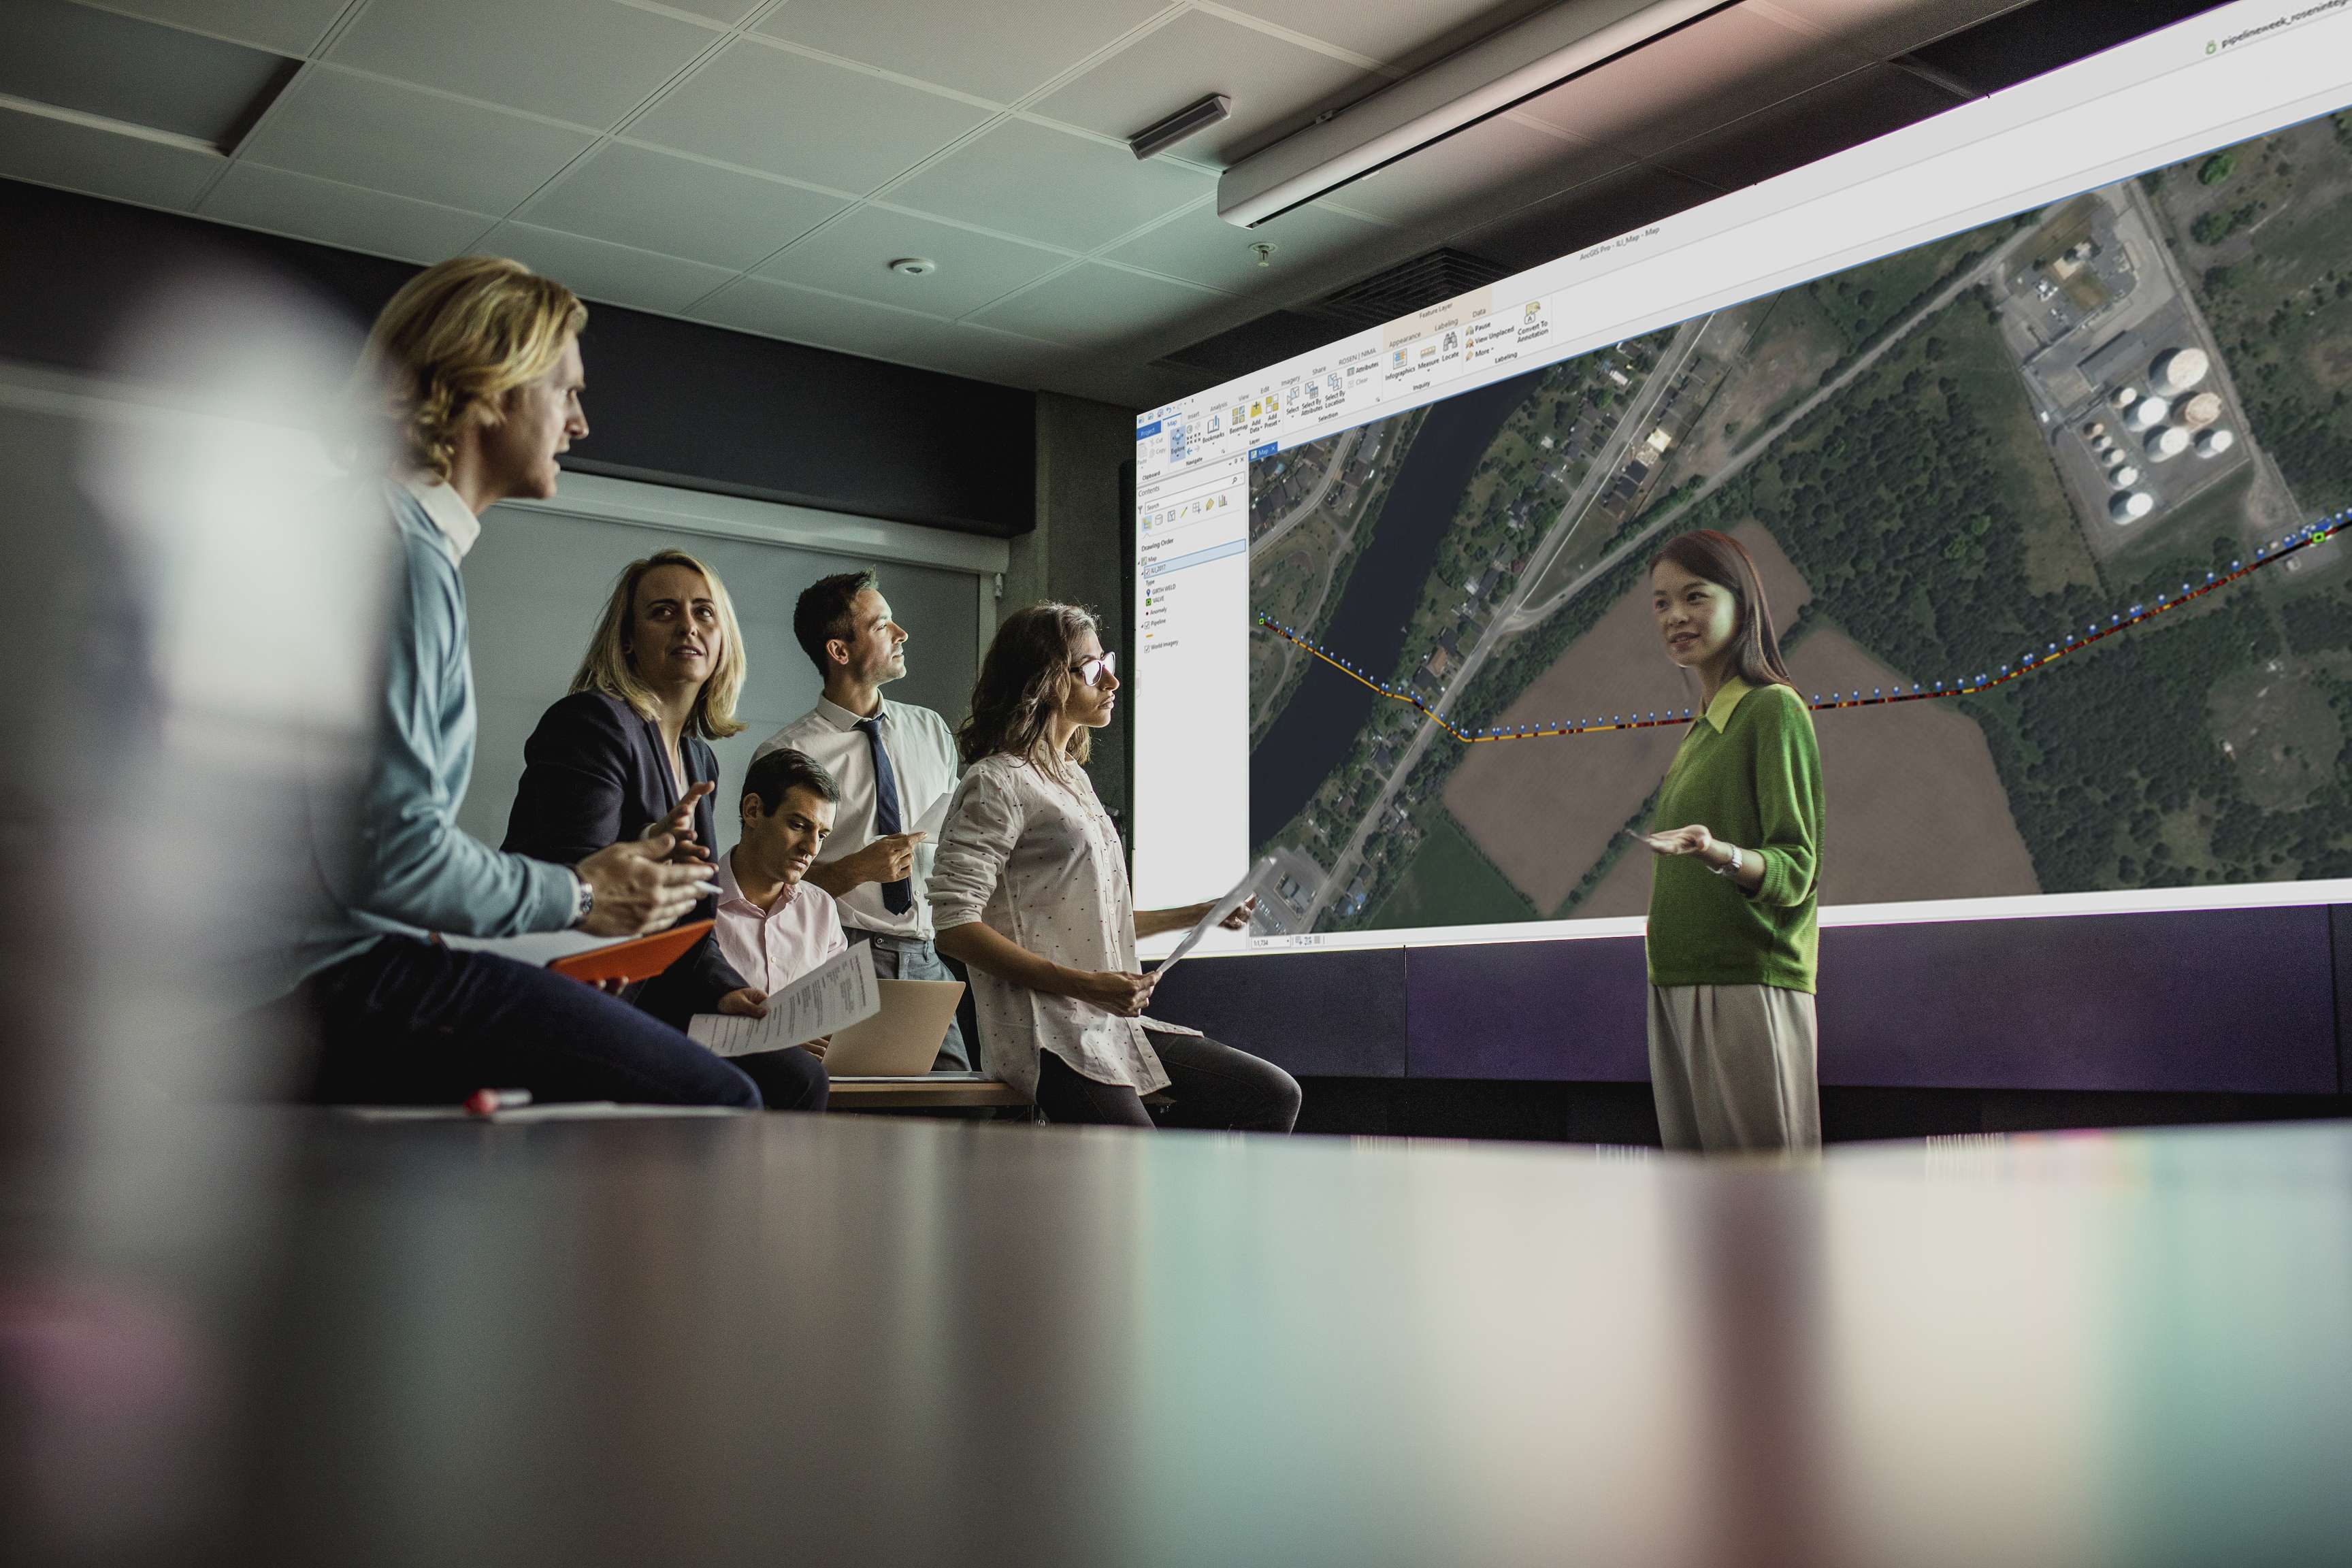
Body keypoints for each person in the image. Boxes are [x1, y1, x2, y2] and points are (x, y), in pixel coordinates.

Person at [289, 255, 759, 1109]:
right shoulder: (399, 559)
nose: (578, 424)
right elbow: (392, 857)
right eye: (565, 392)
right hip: (321, 982)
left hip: (298, 973)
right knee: (721, 1102)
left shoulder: (369, 536)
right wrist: (584, 892)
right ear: (490, 389)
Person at [930, 604, 1300, 1131]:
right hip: (1049, 1035)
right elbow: (953, 929)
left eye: (1107, 661)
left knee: (1272, 1094)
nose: (1112, 678)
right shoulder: (997, 782)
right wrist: (1086, 985)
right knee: (1138, 1170)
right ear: (1046, 680)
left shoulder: (1074, 779)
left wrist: (1201, 914)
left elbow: (1098, 915)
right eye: (1091, 668)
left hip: (1109, 1023)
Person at [500, 550, 826, 1111]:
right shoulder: (593, 724)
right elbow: (573, 885)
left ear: (723, 638)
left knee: (797, 1076)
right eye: (663, 612)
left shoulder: (701, 763)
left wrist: (728, 991)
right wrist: (645, 851)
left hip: (653, 996)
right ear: (627, 640)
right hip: (575, 994)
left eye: (704, 613)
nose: (688, 626)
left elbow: (692, 926)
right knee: (746, 1093)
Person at [1632, 529, 1824, 1154]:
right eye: (1661, 603)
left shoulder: (1773, 711)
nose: (1675, 617)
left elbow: (1797, 868)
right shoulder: (1702, 730)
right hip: (1677, 986)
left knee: (1764, 1214)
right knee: (1706, 1215)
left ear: (1741, 603)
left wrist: (1719, 853)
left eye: (1694, 596)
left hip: (1745, 988)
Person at [756, 572, 969, 1070]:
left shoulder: (931, 731)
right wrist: (856, 870)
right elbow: (764, 889)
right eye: (883, 625)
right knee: (855, 1112)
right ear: (840, 651)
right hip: (840, 955)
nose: (902, 634)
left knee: (961, 1102)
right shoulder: (787, 754)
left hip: (926, 953)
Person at [706, 749, 851, 1107]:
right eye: (799, 825)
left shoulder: (822, 909)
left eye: (823, 834)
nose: (811, 848)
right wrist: (770, 1041)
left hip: (807, 1091)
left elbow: (836, 1014)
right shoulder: (694, 900)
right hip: (717, 1087)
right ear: (753, 811)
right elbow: (668, 1016)